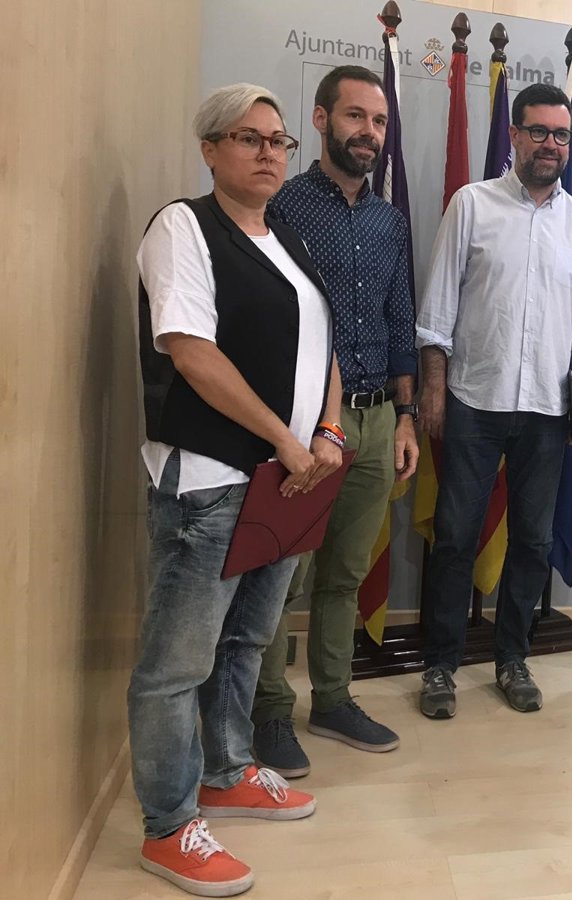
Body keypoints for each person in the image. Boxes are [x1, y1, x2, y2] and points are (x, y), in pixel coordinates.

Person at [130, 83, 338, 897]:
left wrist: (325, 431)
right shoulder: (183, 227)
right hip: (212, 480)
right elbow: (190, 350)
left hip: (285, 480)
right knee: (175, 665)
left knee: (248, 640)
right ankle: (169, 827)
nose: (268, 153)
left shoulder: (286, 236)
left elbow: (323, 344)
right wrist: (285, 438)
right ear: (210, 149)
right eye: (248, 138)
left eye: (278, 140)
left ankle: (225, 771)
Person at [251, 65, 419, 776]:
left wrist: (407, 418)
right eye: (355, 117)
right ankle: (267, 711)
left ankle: (332, 698)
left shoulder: (389, 221)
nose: (368, 133)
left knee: (345, 572)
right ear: (320, 120)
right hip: (305, 423)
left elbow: (400, 320)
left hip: (378, 422)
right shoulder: (281, 207)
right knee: (280, 575)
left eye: (378, 122)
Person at [416, 83, 572, 717]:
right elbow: (438, 307)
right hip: (474, 398)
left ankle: (512, 658)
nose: (551, 144)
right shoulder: (472, 204)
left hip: (549, 408)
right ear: (515, 135)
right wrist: (434, 390)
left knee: (533, 542)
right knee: (454, 538)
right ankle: (440, 666)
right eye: (539, 131)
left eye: (562, 135)